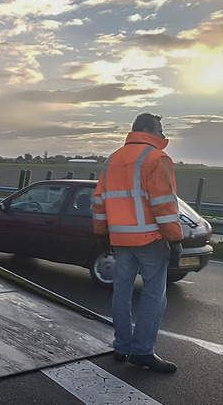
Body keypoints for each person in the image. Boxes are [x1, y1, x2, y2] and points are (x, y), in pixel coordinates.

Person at [92, 112, 183, 373]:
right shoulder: (157, 157)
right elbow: (164, 205)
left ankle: (121, 347)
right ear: (146, 130)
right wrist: (174, 238)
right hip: (150, 239)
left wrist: (101, 233)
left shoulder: (113, 159)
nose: (163, 136)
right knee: (155, 294)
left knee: (121, 292)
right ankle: (143, 351)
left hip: (120, 239)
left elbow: (99, 201)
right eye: (160, 130)